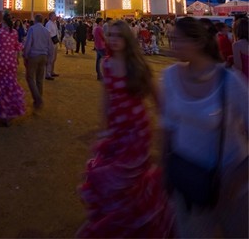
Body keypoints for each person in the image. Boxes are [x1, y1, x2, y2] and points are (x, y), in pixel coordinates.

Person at [77, 20, 174, 238]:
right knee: (111, 177)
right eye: (110, 35)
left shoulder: (137, 65)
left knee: (127, 177)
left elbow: (157, 98)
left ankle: (138, 217)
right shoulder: (107, 64)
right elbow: (106, 98)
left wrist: (168, 127)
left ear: (127, 39)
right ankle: (122, 215)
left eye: (118, 36)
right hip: (117, 130)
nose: (113, 40)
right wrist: (104, 128)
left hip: (137, 131)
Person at [161, 16, 248, 239]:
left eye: (179, 40)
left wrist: (237, 178)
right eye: (172, 39)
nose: (173, 45)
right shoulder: (170, 76)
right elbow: (167, 127)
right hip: (187, 181)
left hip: (231, 185)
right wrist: (165, 170)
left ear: (198, 42)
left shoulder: (230, 81)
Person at [23, 14, 54, 111]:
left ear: (35, 20)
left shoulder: (32, 29)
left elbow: (28, 43)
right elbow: (50, 46)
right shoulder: (46, 31)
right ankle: (38, 100)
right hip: (43, 56)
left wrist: (25, 55)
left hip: (34, 56)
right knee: (39, 79)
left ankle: (38, 99)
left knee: (30, 77)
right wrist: (49, 58)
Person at [45, 11, 59, 79]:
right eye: (54, 15)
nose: (55, 16)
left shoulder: (54, 23)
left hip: (55, 42)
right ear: (50, 17)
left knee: (54, 58)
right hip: (51, 43)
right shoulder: (49, 24)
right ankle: (47, 73)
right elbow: (48, 34)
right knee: (50, 59)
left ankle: (51, 71)